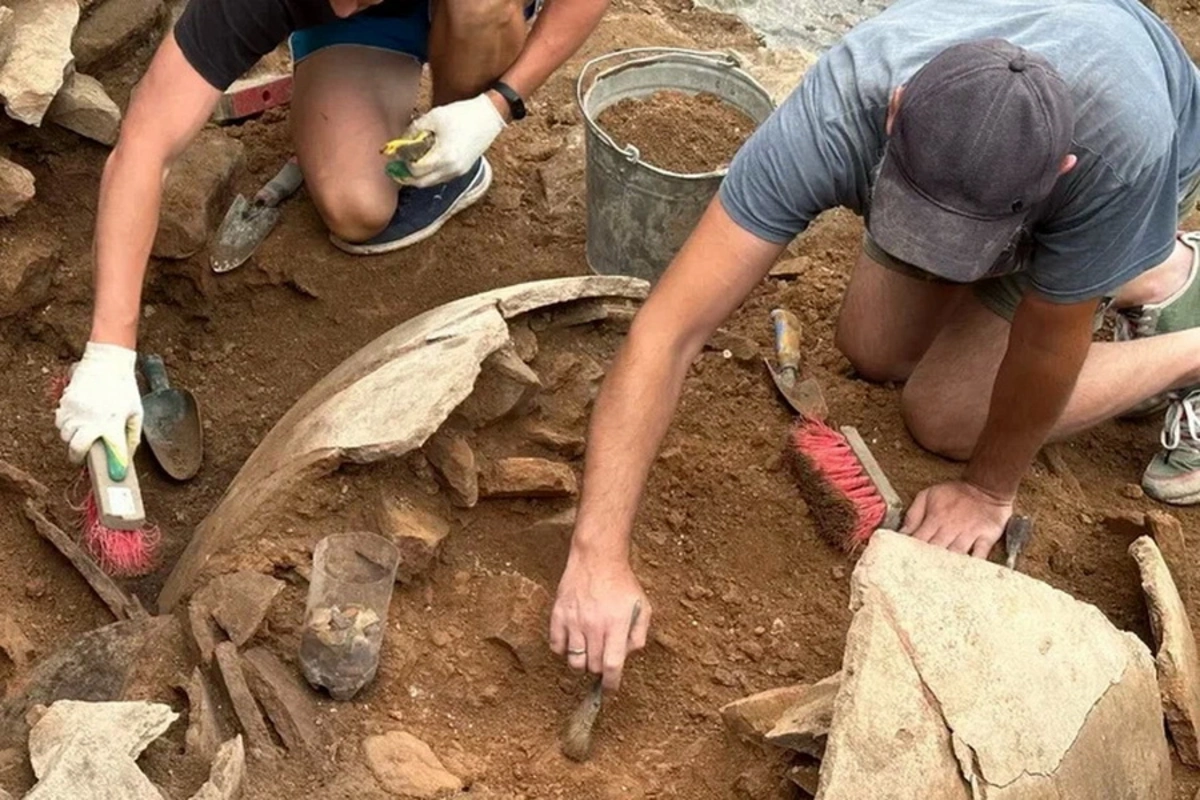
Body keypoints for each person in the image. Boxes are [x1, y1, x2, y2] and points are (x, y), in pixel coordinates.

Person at [549, 0, 1200, 692]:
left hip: (1141, 130)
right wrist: (596, 553)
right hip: (1030, 93)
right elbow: (668, 329)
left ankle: (1161, 290)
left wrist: (987, 491)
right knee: (875, 348)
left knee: (946, 413)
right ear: (895, 114)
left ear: (1063, 171)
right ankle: (1125, 270)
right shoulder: (836, 108)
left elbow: (1046, 345)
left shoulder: (1116, 159)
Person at [53, 0, 609, 473]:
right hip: (369, 33)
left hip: (475, 13)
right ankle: (388, 112)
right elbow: (144, 145)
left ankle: (453, 137)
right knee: (357, 209)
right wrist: (108, 353)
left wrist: (495, 107)